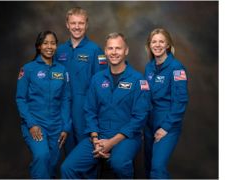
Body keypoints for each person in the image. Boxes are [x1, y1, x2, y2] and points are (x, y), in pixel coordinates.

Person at [61, 32, 151, 179]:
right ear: (105, 51)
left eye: (118, 48)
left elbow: (139, 118)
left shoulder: (138, 80)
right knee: (68, 167)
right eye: (110, 48)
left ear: (126, 50)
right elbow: (90, 111)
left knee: (118, 163)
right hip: (99, 136)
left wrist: (111, 142)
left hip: (126, 137)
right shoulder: (97, 79)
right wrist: (95, 139)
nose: (114, 52)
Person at [16, 31, 71, 179]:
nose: (49, 46)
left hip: (56, 126)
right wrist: (31, 124)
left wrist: (66, 126)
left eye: (53, 43)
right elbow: (21, 99)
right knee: (42, 156)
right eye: (45, 43)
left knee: (52, 163)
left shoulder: (62, 70)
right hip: (35, 124)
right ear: (39, 46)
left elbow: (65, 99)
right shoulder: (28, 69)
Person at [54, 7, 108, 153]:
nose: (77, 27)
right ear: (67, 24)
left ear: (86, 25)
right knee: (68, 151)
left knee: (87, 153)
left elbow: (102, 86)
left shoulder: (95, 51)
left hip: (85, 110)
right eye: (73, 23)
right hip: (63, 110)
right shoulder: (59, 51)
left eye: (81, 23)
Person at [144, 28, 189, 179]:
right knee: (149, 167)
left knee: (157, 168)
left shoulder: (176, 68)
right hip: (149, 124)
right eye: (154, 42)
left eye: (161, 41)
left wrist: (166, 127)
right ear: (149, 45)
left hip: (167, 124)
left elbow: (180, 101)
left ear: (168, 45)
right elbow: (146, 97)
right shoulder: (149, 67)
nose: (157, 45)